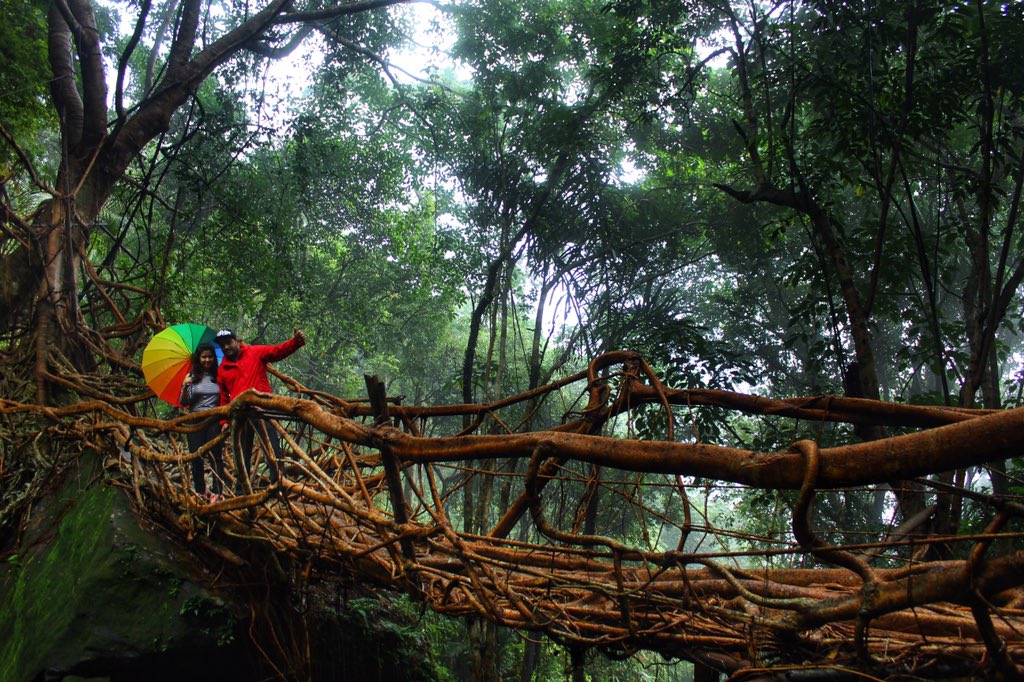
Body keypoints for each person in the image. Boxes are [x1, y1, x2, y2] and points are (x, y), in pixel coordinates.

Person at [214, 328, 306, 492]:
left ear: (237, 340)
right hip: (240, 414)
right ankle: (241, 489)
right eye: (222, 345)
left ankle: (278, 483)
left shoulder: (255, 352)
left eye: (228, 342)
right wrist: (224, 421)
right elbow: (224, 398)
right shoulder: (222, 369)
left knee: (271, 446)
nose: (226, 347)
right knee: (242, 452)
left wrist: (296, 342)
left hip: (262, 409)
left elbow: (278, 351)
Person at [178, 343, 228, 503]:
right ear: (199, 359)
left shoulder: (218, 376)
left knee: (216, 456)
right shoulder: (192, 377)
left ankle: (217, 492)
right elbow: (184, 402)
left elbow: (225, 397)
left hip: (213, 420)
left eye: (210, 356)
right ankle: (200, 491)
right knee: (196, 456)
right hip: (195, 421)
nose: (207, 360)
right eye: (204, 357)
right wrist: (185, 386)